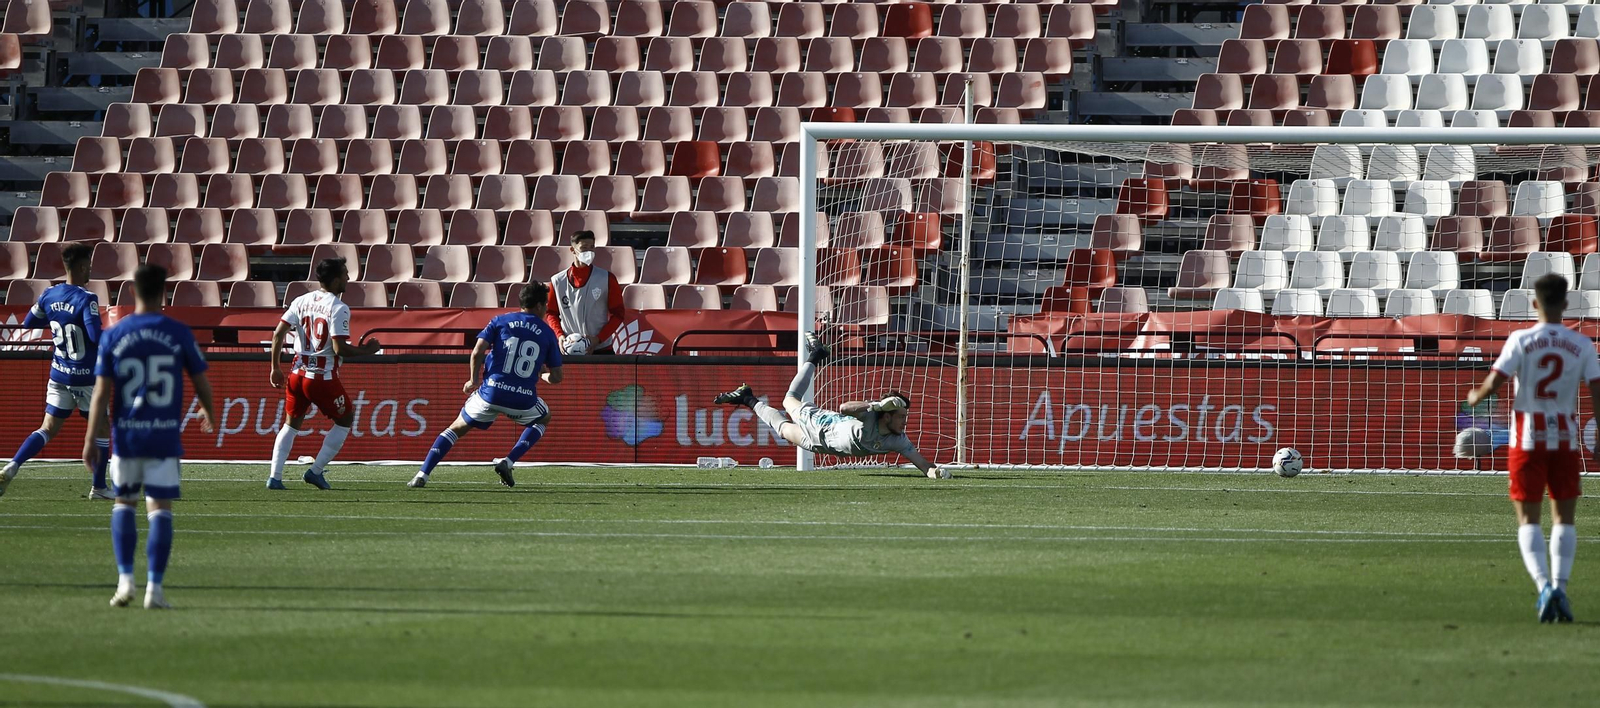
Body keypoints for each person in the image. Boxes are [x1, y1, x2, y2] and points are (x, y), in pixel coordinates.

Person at [1465, 273, 1600, 623]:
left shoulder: (1520, 339)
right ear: (1566, 304)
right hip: (1565, 440)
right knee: (1564, 519)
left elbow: (1495, 383)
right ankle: (1561, 586)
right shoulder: (1583, 344)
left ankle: (1543, 586)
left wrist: (1473, 397)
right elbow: (1598, 393)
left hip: (1526, 439)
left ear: (1535, 303)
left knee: (1528, 519)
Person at [84, 264, 216, 609]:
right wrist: (209, 411)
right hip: (163, 438)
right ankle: (154, 589)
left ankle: (125, 582)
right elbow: (201, 379)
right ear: (164, 292)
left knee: (123, 502)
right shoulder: (177, 331)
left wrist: (89, 439)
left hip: (126, 437)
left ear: (132, 291)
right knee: (159, 509)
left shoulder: (114, 333)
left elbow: (100, 393)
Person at [713, 334, 943, 478]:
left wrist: (937, 473)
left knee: (783, 429)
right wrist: (875, 405)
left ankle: (747, 398)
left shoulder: (898, 439)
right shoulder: (871, 416)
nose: (905, 421)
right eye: (901, 416)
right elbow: (844, 408)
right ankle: (816, 355)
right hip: (821, 423)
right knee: (788, 399)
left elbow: (924, 465)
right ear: (886, 416)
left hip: (819, 445)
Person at [409, 281, 564, 489]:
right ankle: (508, 461)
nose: (546, 310)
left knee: (455, 428)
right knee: (544, 416)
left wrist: (473, 380)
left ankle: (422, 474)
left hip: (491, 393)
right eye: (545, 305)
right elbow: (557, 377)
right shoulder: (547, 333)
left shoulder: (500, 321)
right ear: (538, 305)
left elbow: (477, 351)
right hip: (522, 398)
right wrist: (543, 376)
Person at [0, 242, 113, 500]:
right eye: (89, 268)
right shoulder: (87, 299)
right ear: (82, 267)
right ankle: (99, 487)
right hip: (86, 378)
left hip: (59, 374)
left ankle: (12, 465)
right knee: (103, 429)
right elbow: (95, 336)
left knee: (47, 428)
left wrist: (56, 318)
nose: (90, 272)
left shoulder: (49, 294)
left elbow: (30, 322)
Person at [266, 257, 381, 490]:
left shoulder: (301, 300)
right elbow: (340, 348)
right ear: (337, 279)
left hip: (297, 372)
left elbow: (278, 334)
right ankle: (315, 472)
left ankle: (275, 477)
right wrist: (368, 350)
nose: (349, 278)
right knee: (345, 419)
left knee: (290, 424)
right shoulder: (338, 307)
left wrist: (275, 367)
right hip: (322, 377)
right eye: (346, 274)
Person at [546, 230, 624, 356]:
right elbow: (551, 313)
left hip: (601, 348)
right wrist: (559, 335)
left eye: (592, 248)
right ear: (572, 250)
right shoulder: (557, 281)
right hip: (568, 349)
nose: (589, 252)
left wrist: (598, 338)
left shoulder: (606, 278)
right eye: (584, 248)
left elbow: (618, 314)